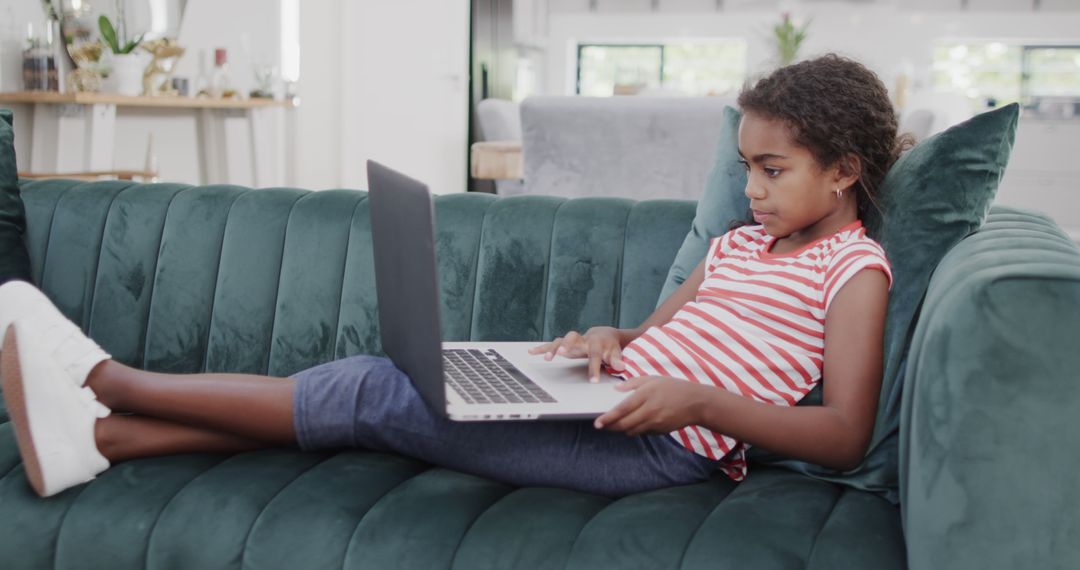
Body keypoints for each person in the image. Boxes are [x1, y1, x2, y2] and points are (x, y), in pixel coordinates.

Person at [1, 54, 900, 499]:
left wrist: (697, 405)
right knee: (397, 388)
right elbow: (656, 335)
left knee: (375, 391)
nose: (751, 190)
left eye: (773, 170)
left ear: (846, 170)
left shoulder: (854, 271)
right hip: (607, 400)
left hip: (661, 452)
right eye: (744, 167)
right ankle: (106, 442)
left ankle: (107, 381)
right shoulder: (739, 243)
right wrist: (610, 342)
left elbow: (844, 434)